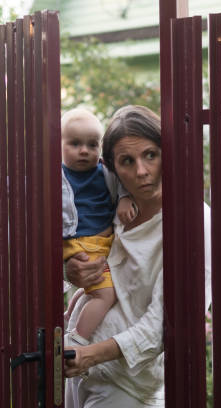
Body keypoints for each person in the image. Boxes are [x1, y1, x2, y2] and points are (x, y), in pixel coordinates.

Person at [64, 105, 212, 407]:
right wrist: (69, 269)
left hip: (125, 386)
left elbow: (166, 324)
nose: (141, 172)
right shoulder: (111, 209)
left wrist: (90, 353)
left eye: (150, 155)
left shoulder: (193, 222)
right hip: (77, 370)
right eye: (127, 161)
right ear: (112, 167)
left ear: (166, 153)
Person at [61, 108, 137, 346]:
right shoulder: (56, 176)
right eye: (75, 144)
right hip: (79, 243)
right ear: (59, 145)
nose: (84, 151)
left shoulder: (105, 171)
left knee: (91, 287)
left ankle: (67, 317)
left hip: (99, 243)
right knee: (106, 294)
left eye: (92, 145)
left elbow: (121, 185)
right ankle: (78, 339)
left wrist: (124, 198)